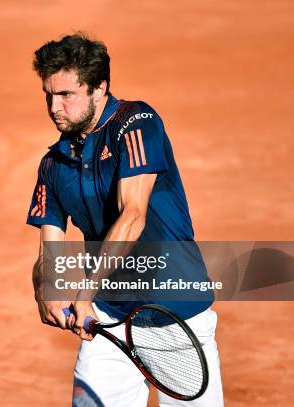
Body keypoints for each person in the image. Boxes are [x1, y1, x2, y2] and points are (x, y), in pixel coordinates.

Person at [26, 33, 224, 406]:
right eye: (48, 95)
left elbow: (132, 215)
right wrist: (46, 289)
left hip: (173, 312)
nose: (54, 107)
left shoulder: (136, 124)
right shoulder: (54, 163)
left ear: (99, 88)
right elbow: (49, 249)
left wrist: (83, 293)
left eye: (66, 95)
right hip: (109, 316)